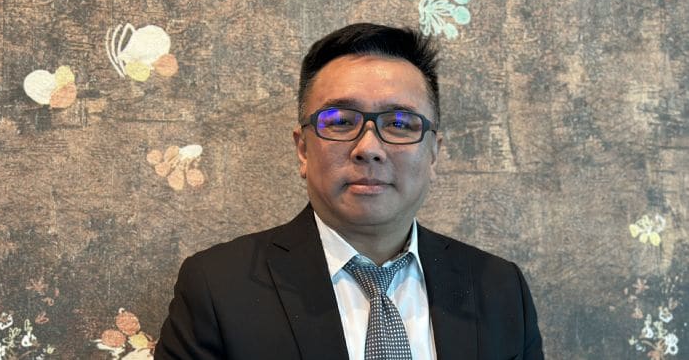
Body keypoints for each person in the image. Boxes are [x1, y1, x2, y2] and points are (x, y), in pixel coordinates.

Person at [154, 23, 544, 359]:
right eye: (340, 121)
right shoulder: (218, 287)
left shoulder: (499, 287)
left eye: (400, 123)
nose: (369, 148)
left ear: (434, 154)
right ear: (303, 150)